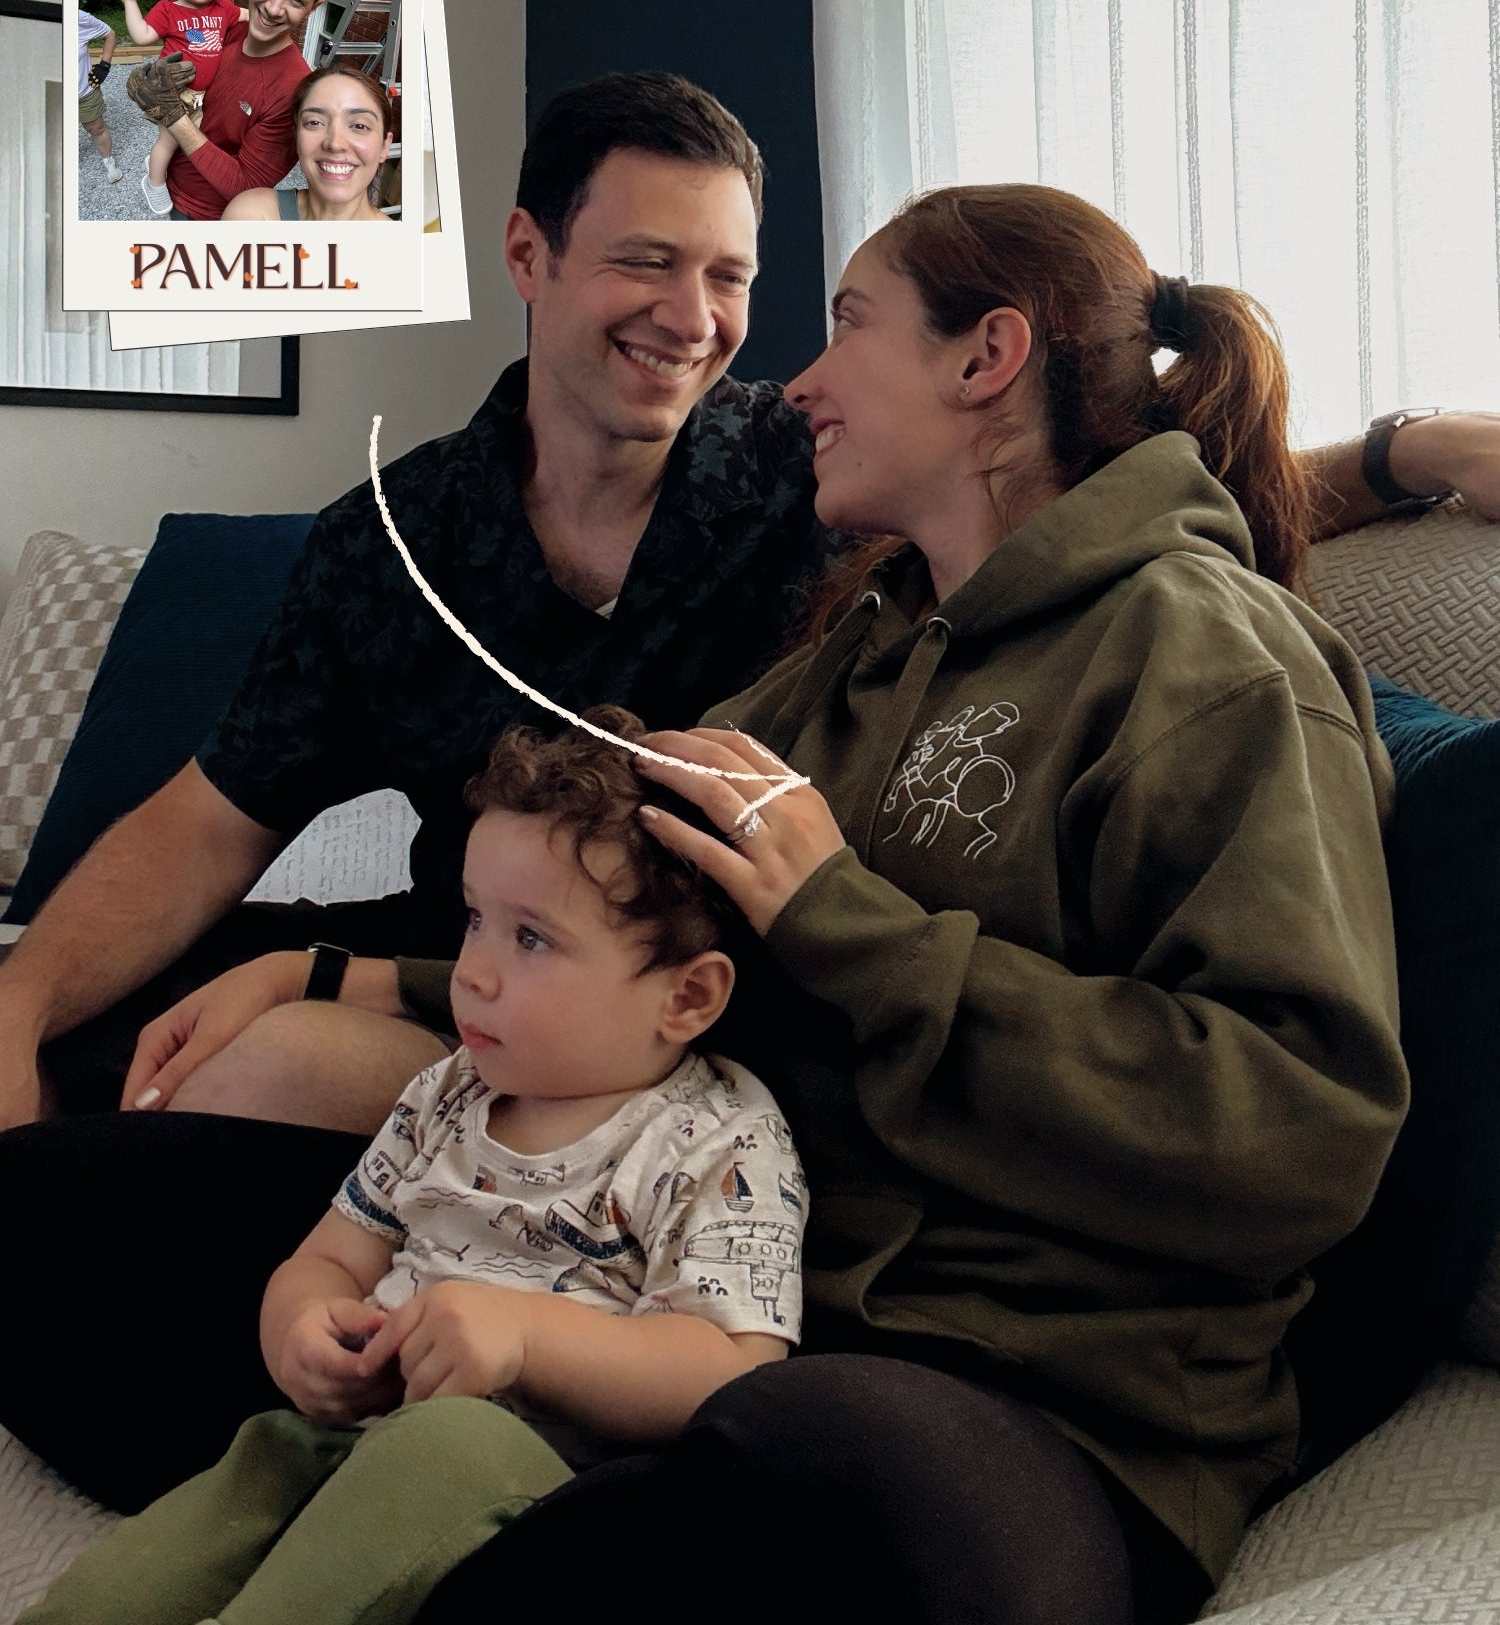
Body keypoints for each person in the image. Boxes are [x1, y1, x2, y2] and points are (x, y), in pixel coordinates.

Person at [0, 73, 1489, 1514]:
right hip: (626, 1121)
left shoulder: (869, 505)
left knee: (771, 1475)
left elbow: (1113, 481)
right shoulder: (819, 610)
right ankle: (340, 1470)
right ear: (528, 254)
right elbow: (230, 811)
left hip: (864, 1297)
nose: (731, 337)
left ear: (982, 361)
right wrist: (234, 983)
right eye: (646, 262)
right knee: (73, 1205)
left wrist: (1399, 450)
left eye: (752, 285)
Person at [394, 184, 1404, 1625]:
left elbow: (1297, 1138)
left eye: (846, 325)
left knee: (811, 1474)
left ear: (985, 358)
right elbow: (614, 929)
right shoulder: (860, 647)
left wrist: (841, 919)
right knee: (88, 1217)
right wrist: (341, 981)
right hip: (731, 1296)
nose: (795, 382)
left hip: (1046, 1404)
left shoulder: (1210, 658)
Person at [18, 706, 802, 1625]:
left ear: (688, 995)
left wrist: (523, 1339)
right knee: (132, 1577)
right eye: (474, 920)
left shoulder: (723, 1140)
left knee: (434, 1460)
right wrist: (300, 1325)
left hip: (529, 1471)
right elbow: (334, 1254)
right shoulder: (448, 1093)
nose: (471, 970)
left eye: (531, 938)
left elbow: (728, 1367)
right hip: (347, 1431)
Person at [123, 0, 335, 222]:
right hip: (173, 182)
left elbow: (247, 187)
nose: (273, 8)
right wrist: (157, 79)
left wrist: (174, 117)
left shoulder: (294, 91)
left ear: (314, 7)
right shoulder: (224, 30)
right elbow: (182, 38)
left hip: (205, 214)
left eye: (296, 0)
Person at [109, 0, 245, 217]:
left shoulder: (224, 9)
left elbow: (249, 15)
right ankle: (154, 181)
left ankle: (159, 166)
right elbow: (143, 35)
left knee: (191, 140)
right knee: (170, 141)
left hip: (203, 96)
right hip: (173, 94)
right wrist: (129, 1)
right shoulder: (169, 10)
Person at [223, 67, 397, 224]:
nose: (335, 144)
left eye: (359, 126)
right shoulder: (254, 215)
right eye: (314, 122)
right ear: (297, 138)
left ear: (385, 146)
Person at [75, 10, 123, 187]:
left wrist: (104, 66)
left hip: (83, 92)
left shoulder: (77, 17)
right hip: (45, 92)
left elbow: (109, 34)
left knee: (96, 128)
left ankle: (108, 162)